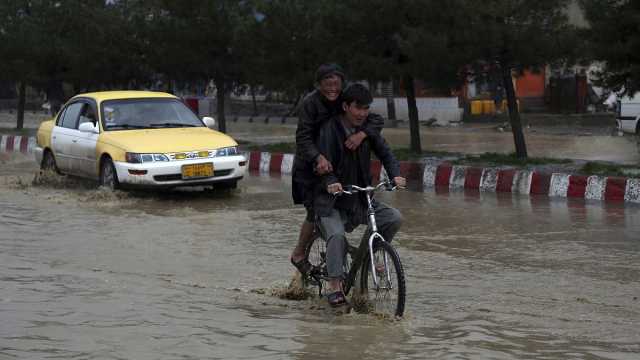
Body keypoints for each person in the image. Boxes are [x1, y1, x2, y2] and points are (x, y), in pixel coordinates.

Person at [312, 83, 405, 307]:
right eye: (358, 108)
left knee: (393, 217)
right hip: (330, 201)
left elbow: (386, 153)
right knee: (336, 236)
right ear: (345, 106)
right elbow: (320, 165)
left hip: (359, 198)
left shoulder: (367, 132)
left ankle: (369, 257)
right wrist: (331, 182)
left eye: (366, 108)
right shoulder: (328, 130)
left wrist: (395, 175)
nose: (362, 113)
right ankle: (335, 286)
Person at [290, 64, 384, 276]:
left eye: (336, 84)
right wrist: (317, 156)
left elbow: (375, 119)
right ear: (318, 84)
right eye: (327, 84)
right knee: (317, 210)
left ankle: (362, 255)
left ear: (342, 84)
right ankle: (298, 253)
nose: (332, 89)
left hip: (337, 160)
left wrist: (361, 135)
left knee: (348, 209)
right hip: (311, 163)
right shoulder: (310, 103)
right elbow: (303, 137)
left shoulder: (347, 98)